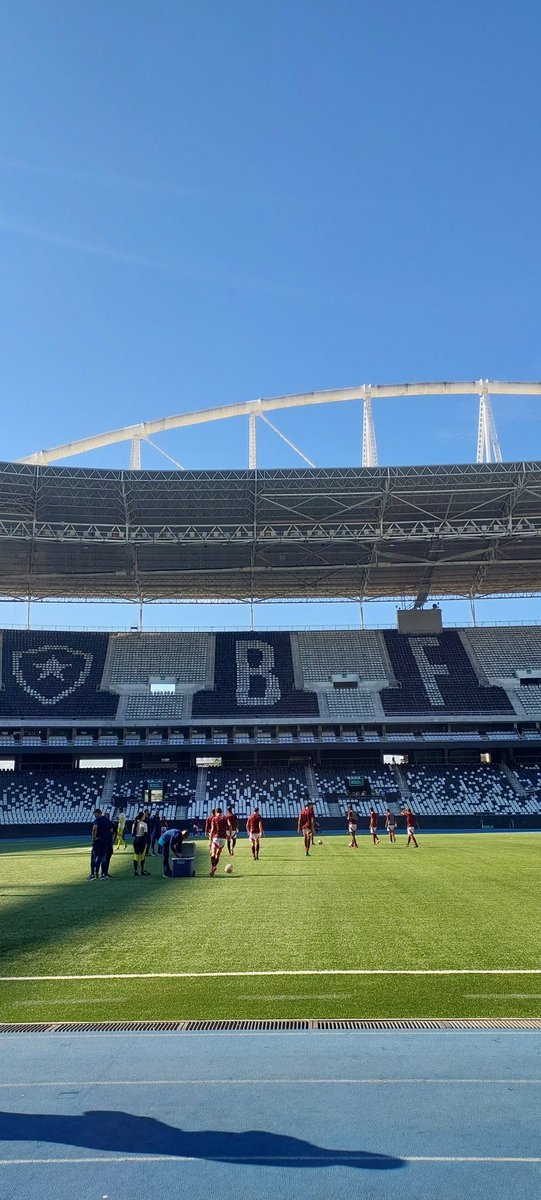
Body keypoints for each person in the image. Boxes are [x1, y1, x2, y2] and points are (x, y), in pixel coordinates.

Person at [209, 807, 231, 876]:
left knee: (213, 853)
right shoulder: (225, 818)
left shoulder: (214, 818)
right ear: (221, 812)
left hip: (217, 837)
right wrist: (229, 834)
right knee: (218, 854)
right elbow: (230, 825)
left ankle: (213, 867)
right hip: (223, 838)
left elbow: (212, 830)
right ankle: (215, 867)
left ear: (216, 812)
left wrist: (210, 840)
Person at [132, 811, 150, 876]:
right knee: (142, 856)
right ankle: (142, 871)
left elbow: (132, 833)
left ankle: (135, 871)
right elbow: (145, 834)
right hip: (142, 840)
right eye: (144, 816)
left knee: (136, 856)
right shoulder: (144, 824)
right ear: (142, 817)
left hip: (135, 840)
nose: (145, 816)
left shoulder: (135, 823)